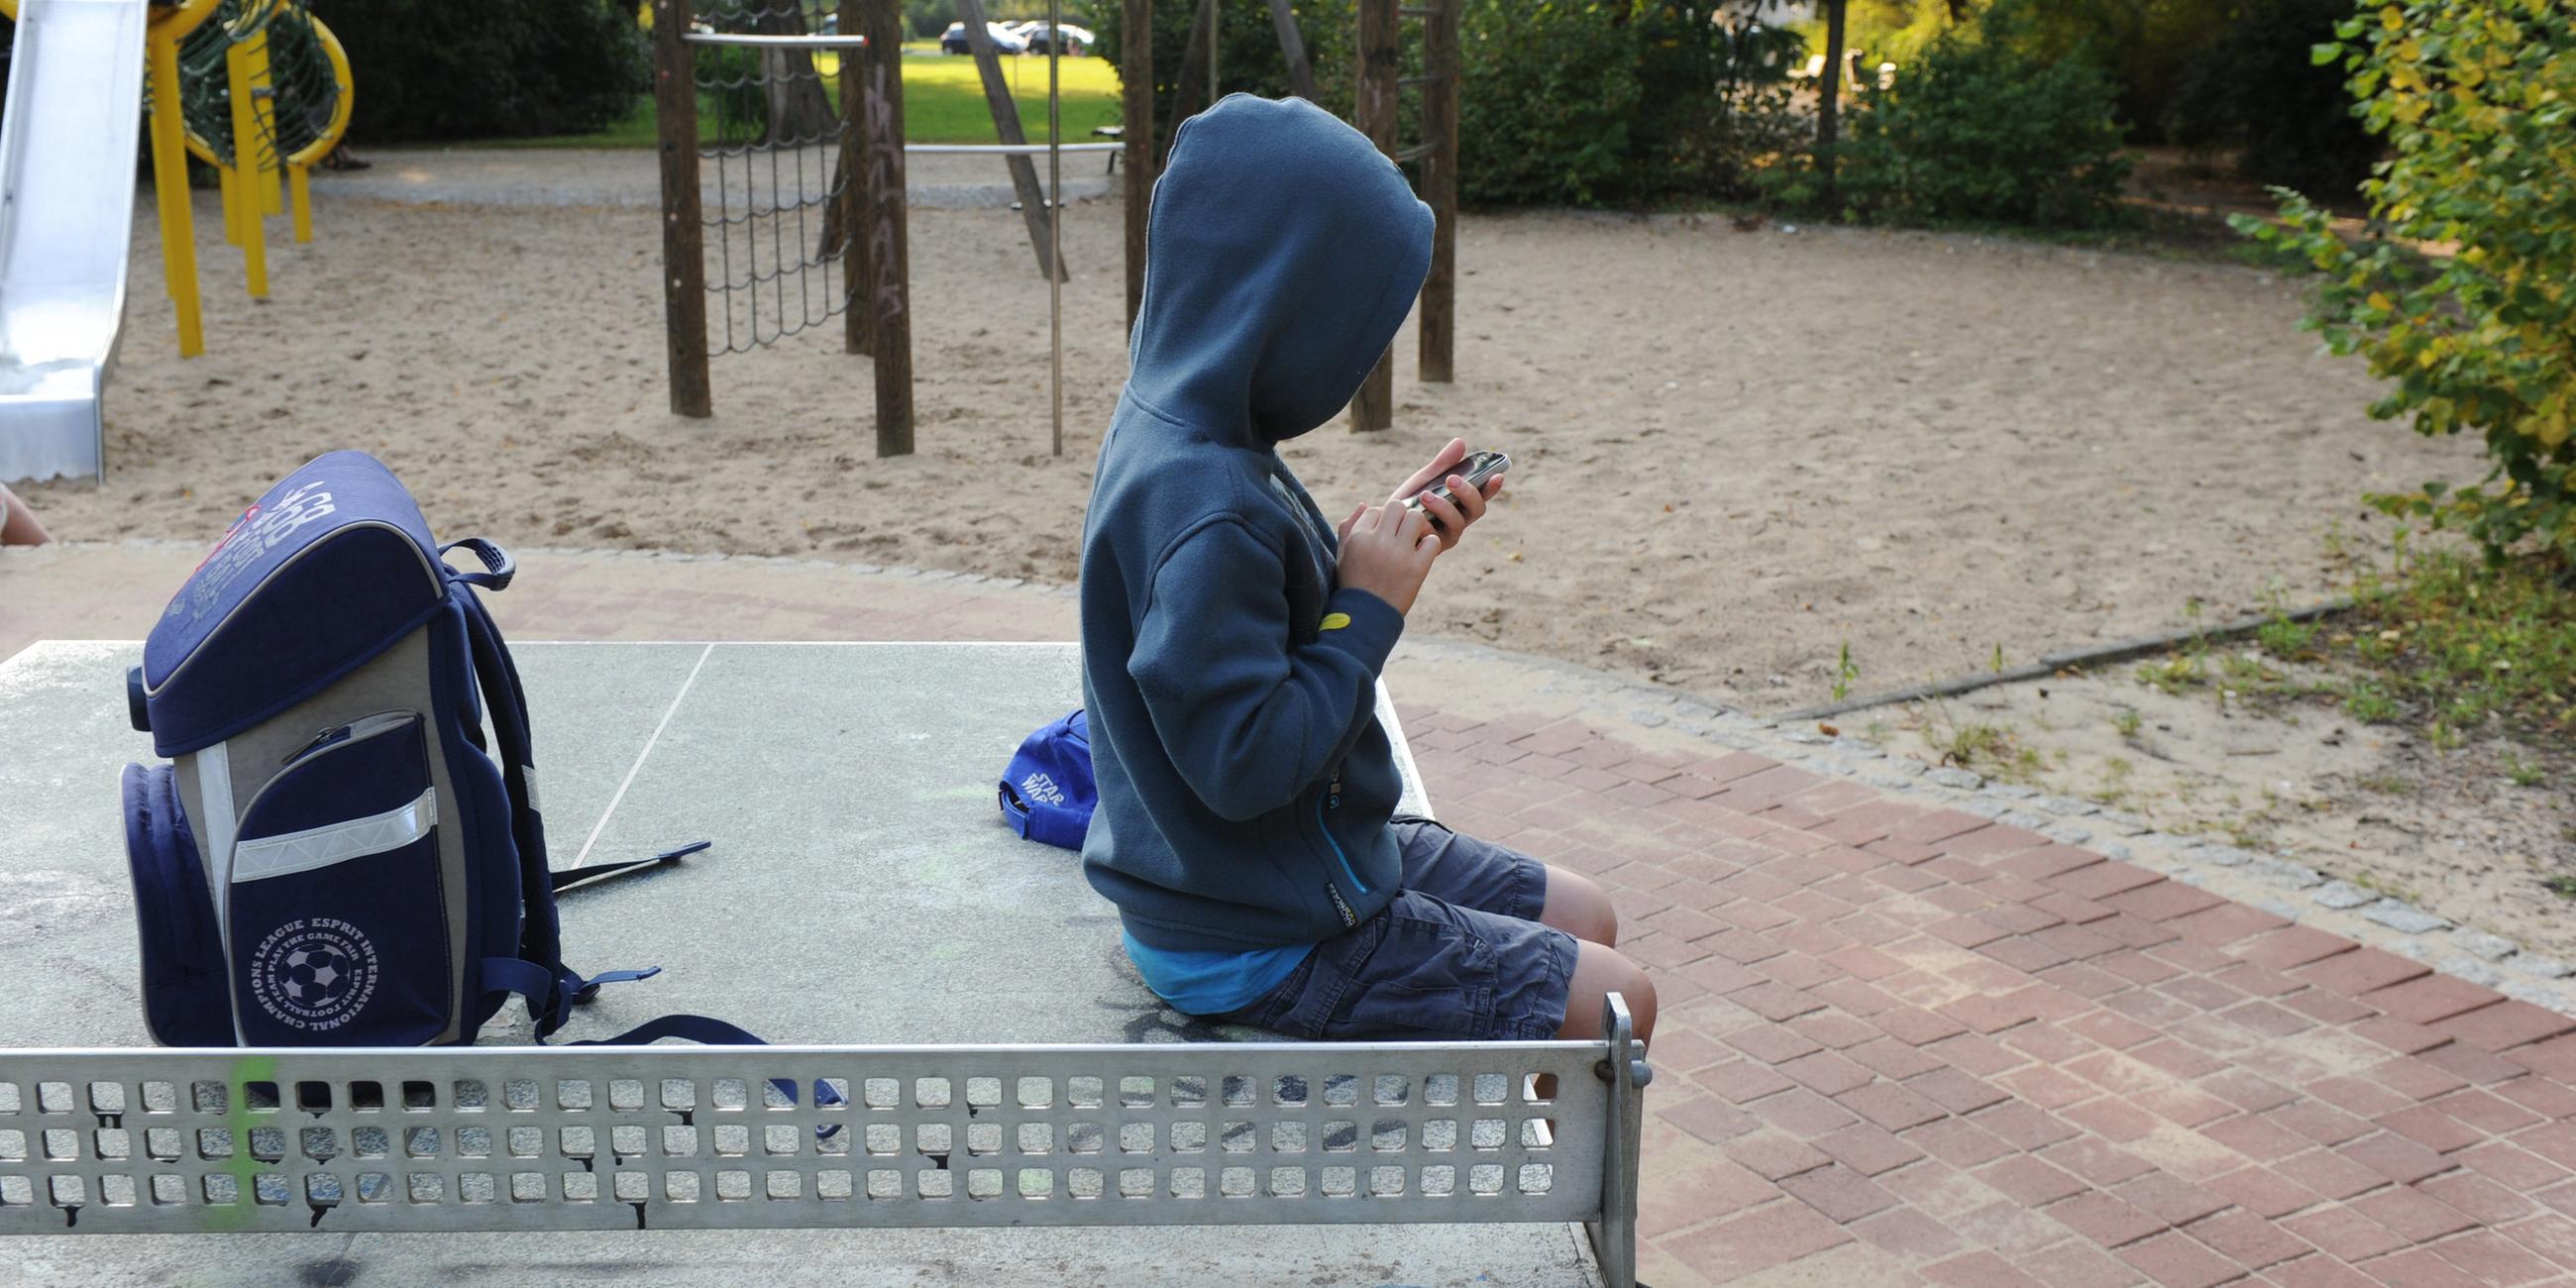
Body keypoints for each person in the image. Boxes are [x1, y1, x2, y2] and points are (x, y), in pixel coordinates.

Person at [1077, 95, 1656, 1047]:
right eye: (1356, 329)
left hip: (1279, 862)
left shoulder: (1188, 425)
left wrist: (1362, 550)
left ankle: (1519, 1136)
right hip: (1250, 935)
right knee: (1618, 1005)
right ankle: (1521, 1198)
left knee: (1585, 914)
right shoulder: (1207, 501)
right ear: (1284, 305)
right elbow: (1246, 765)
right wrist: (1365, 610)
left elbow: (1239, 617)